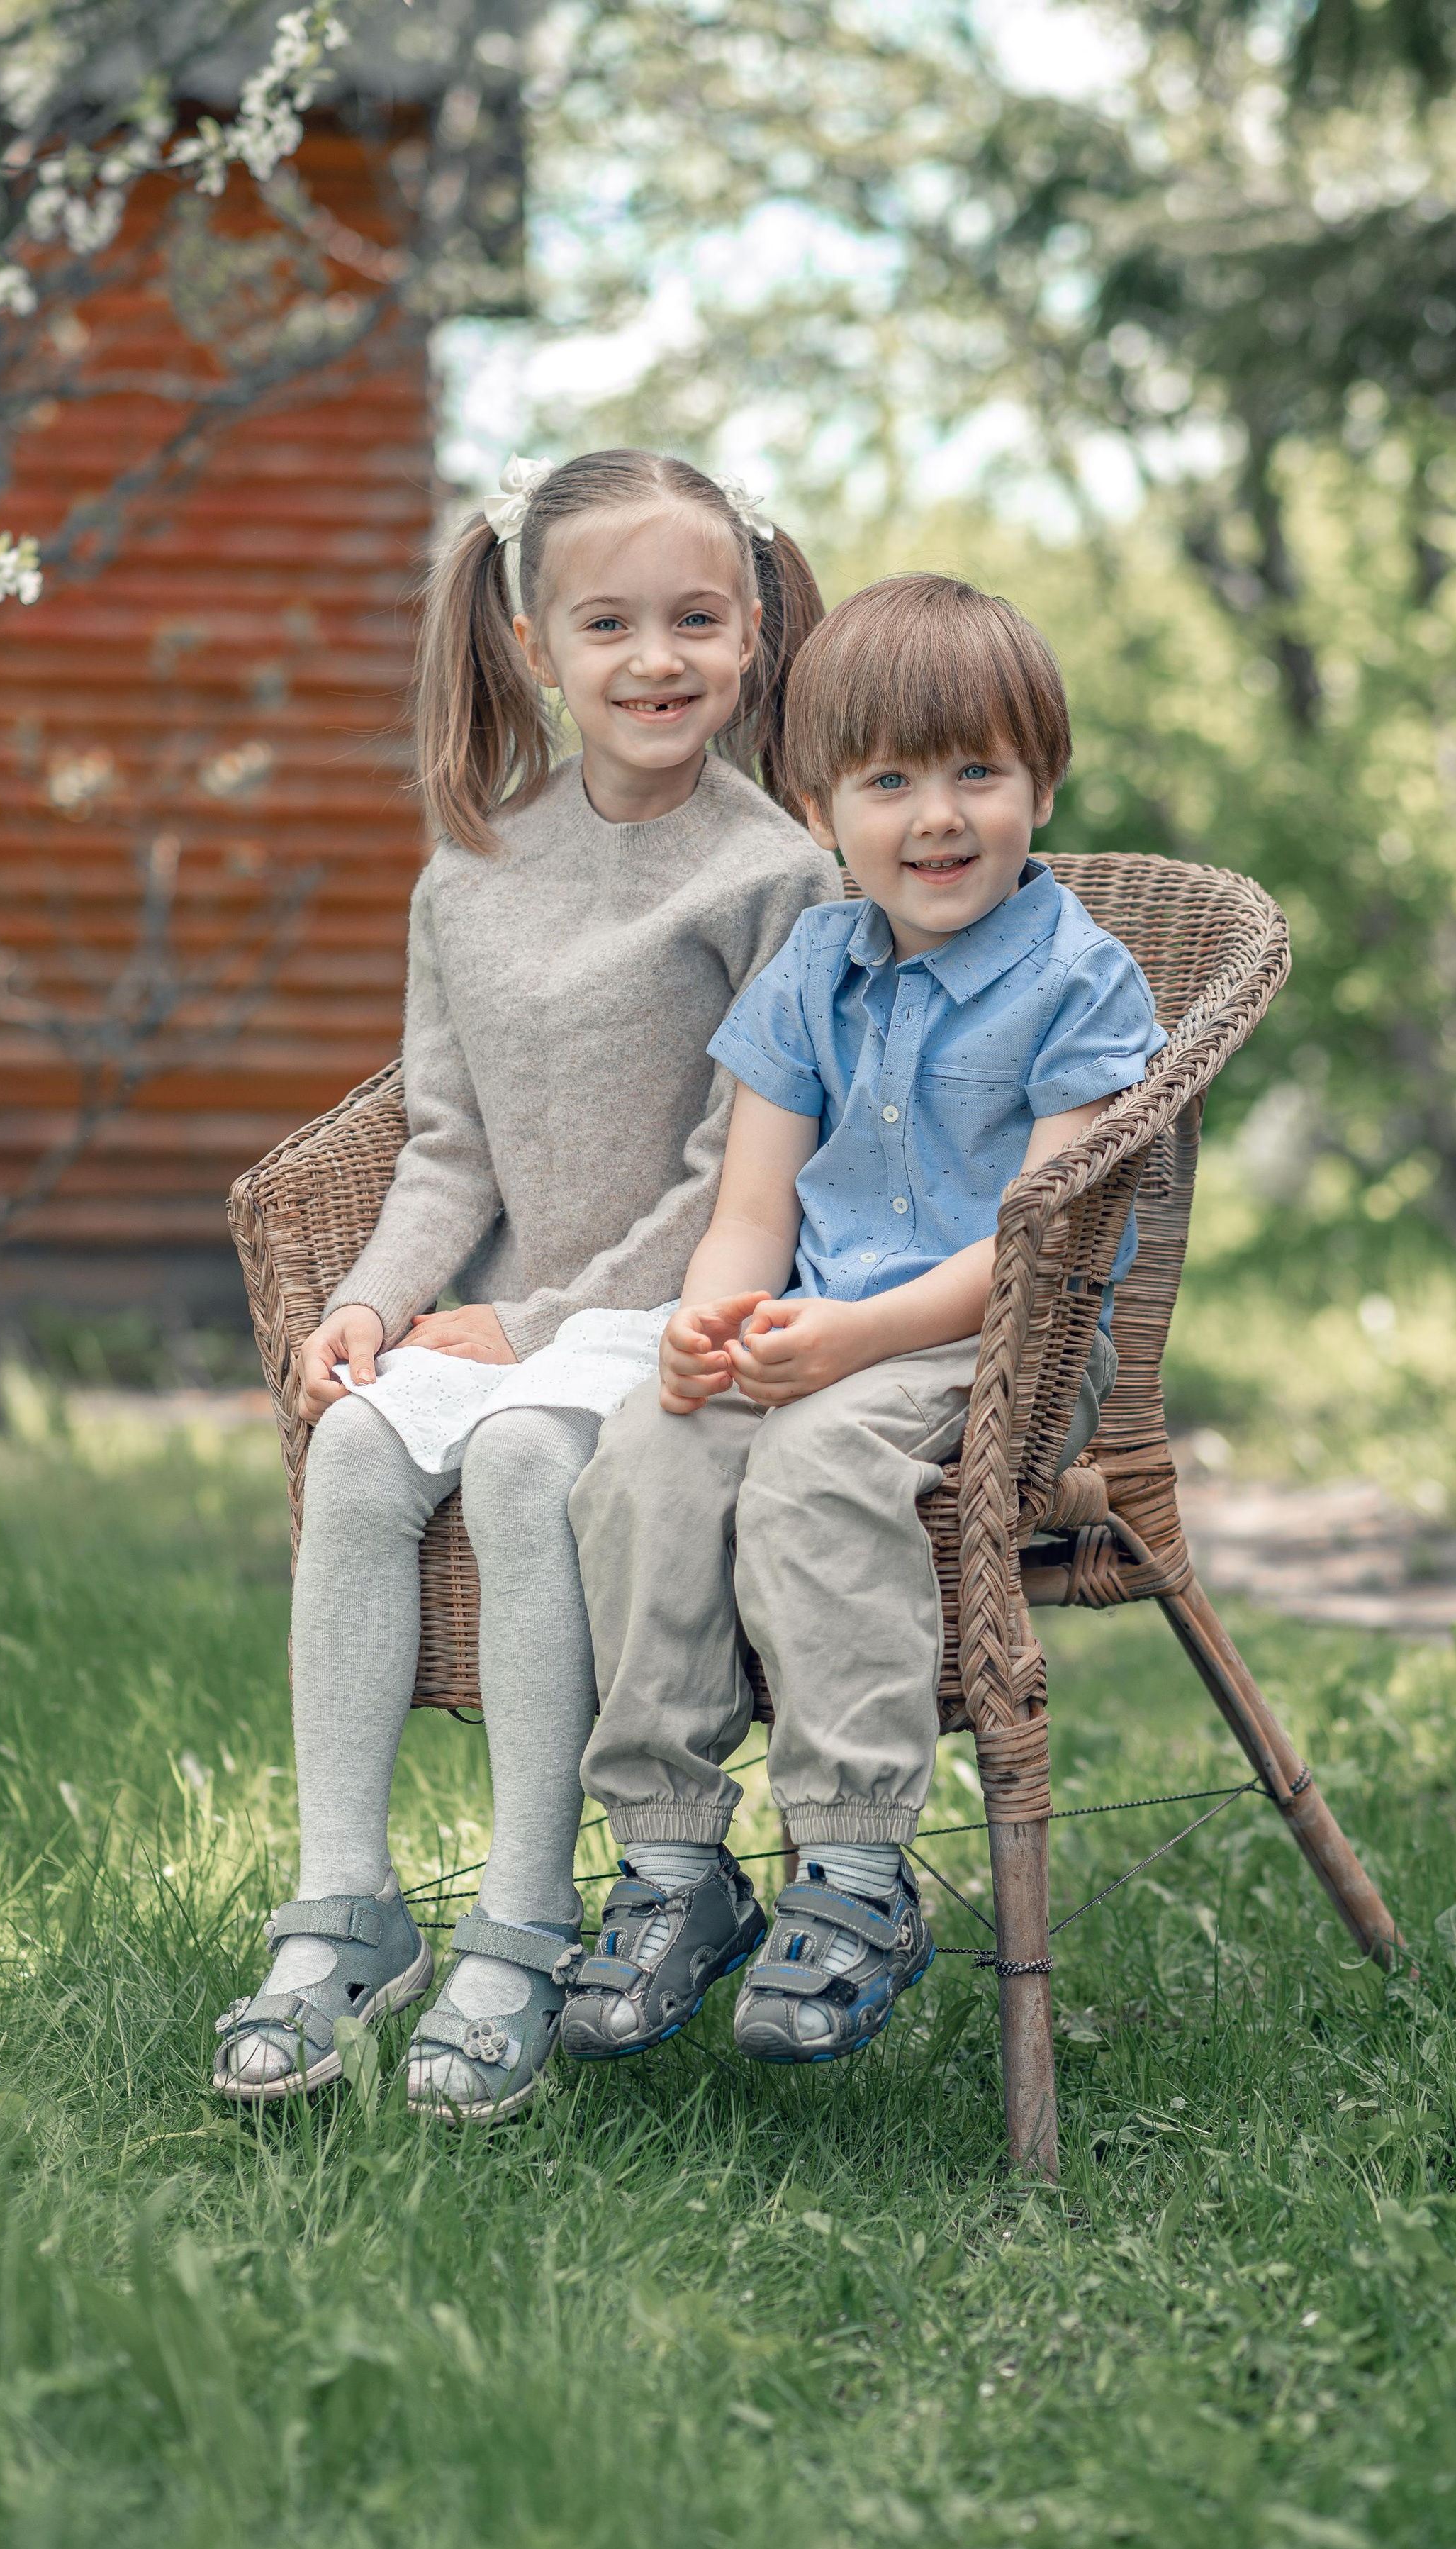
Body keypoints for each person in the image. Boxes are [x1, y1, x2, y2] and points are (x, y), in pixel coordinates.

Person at [211, 450, 827, 2119]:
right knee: (352, 1448)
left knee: (519, 1454)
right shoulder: (472, 869)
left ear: (755, 630)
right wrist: (371, 1301)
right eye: (609, 622)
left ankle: (526, 1920)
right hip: (504, 1306)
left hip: (673, 1307)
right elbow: (446, 1148)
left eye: (696, 618)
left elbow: (736, 1172)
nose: (655, 659)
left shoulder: (774, 876)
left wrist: (540, 1328)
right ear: (532, 640)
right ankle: (342, 1904)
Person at [561, 573, 1165, 2065]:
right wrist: (714, 1322)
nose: (936, 817)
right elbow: (752, 1212)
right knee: (647, 1447)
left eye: (977, 772)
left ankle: (851, 1866)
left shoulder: (1078, 980)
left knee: (822, 1463)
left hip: (999, 1348)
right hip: (820, 1326)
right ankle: (669, 1856)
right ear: (816, 803)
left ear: (1043, 780)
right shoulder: (809, 970)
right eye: (888, 780)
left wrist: (840, 1344)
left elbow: (1034, 1246)